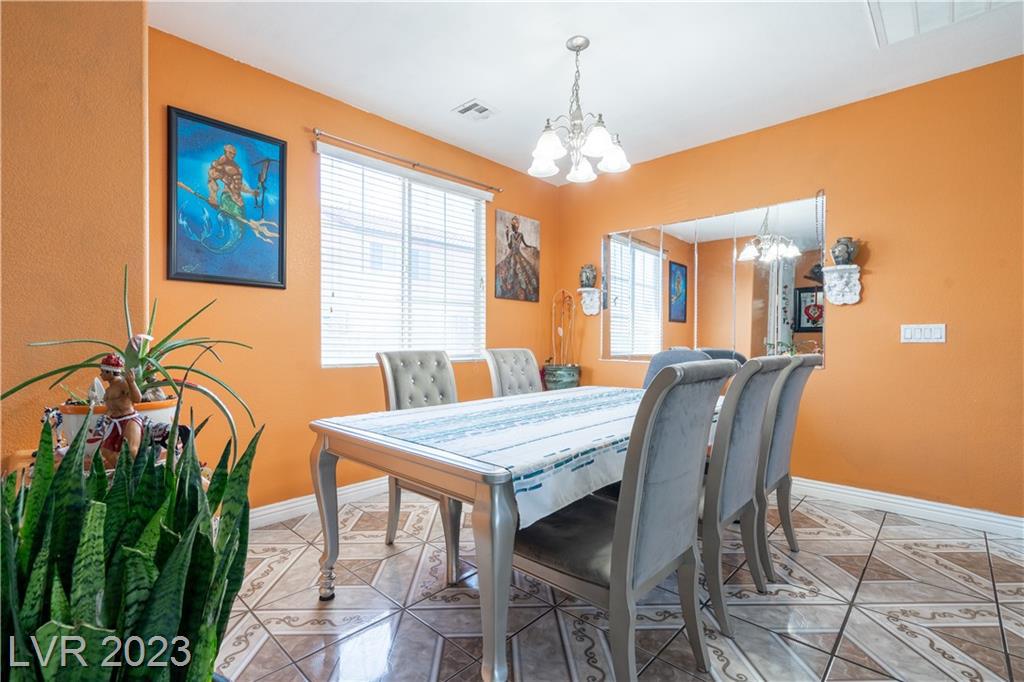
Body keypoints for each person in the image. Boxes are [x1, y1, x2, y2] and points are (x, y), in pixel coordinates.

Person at [96, 353, 144, 468]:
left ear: (110, 372)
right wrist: (104, 420)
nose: (100, 374)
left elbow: (137, 399)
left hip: (129, 420)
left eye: (103, 371)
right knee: (106, 451)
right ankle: (121, 472)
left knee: (131, 450)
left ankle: (135, 473)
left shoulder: (123, 383)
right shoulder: (108, 389)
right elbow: (111, 408)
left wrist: (132, 383)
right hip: (115, 422)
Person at [207, 144, 258, 219]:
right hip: (228, 198)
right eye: (230, 153)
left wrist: (251, 191)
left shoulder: (237, 167)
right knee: (234, 223)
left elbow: (238, 185)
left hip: (239, 202)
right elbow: (211, 179)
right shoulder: (219, 165)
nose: (232, 155)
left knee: (241, 224)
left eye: (234, 154)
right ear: (225, 152)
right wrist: (213, 197)